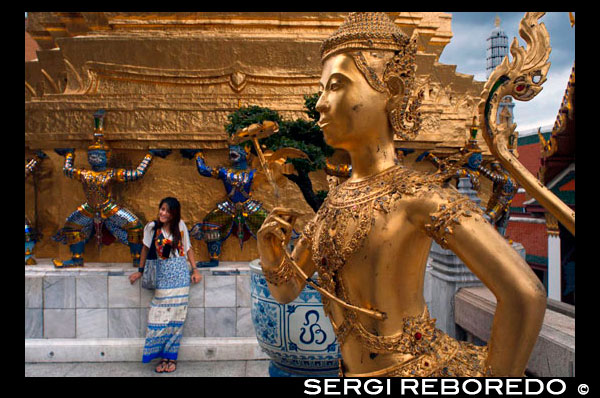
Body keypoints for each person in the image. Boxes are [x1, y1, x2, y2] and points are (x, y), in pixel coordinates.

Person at [257, 12, 546, 377]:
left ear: (390, 90)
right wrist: (270, 253)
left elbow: (525, 295)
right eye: (322, 88)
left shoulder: (419, 196)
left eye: (335, 85)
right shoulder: (333, 203)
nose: (320, 102)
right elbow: (287, 289)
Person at [129, 197, 202, 373]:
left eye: (167, 211)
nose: (163, 213)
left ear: (174, 213)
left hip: (180, 274)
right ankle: (161, 356)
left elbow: (188, 248)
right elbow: (145, 249)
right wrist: (140, 270)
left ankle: (171, 358)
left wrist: (195, 270)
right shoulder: (152, 228)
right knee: (159, 317)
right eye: (162, 209)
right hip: (162, 276)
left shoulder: (181, 226)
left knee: (177, 319)